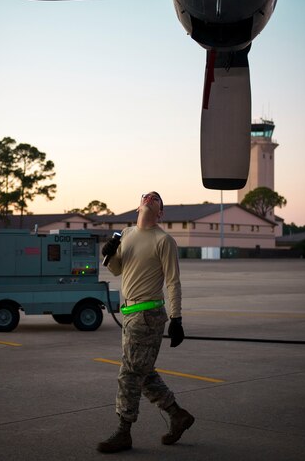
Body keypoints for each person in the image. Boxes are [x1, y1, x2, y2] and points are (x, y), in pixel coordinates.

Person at [97, 191, 194, 453]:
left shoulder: (164, 240)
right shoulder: (126, 235)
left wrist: (176, 318)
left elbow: (173, 281)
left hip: (147, 316)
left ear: (160, 212)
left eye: (157, 199)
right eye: (147, 197)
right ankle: (178, 415)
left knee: (129, 374)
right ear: (138, 206)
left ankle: (124, 431)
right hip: (130, 314)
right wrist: (110, 254)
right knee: (142, 371)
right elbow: (117, 269)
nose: (151, 198)